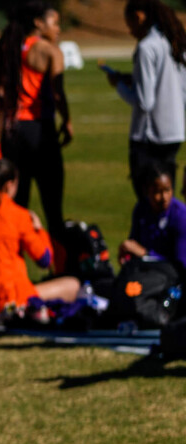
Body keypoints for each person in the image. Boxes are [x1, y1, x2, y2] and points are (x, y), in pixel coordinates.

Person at [0, 1, 72, 257]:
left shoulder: (10, 48)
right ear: (38, 22)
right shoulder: (49, 51)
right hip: (40, 131)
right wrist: (67, 121)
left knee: (16, 206)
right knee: (53, 209)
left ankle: (13, 271)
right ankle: (61, 270)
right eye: (54, 22)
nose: (58, 28)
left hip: (13, 133)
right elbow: (57, 94)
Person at [0, 158, 80, 321]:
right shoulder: (17, 215)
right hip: (8, 303)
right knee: (73, 285)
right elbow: (45, 259)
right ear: (9, 185)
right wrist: (39, 230)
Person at [104, 0, 186, 199]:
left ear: (139, 17)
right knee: (167, 199)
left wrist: (119, 85)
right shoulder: (175, 40)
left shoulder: (147, 47)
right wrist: (133, 79)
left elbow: (145, 101)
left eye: (129, 24)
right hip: (174, 131)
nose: (130, 31)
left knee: (149, 203)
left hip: (150, 136)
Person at [121, 163, 186, 270]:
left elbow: (180, 266)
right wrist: (126, 254)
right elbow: (134, 244)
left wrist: (146, 254)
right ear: (146, 190)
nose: (164, 197)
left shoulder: (181, 216)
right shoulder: (141, 210)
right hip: (145, 273)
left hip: (169, 280)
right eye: (157, 192)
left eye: (167, 190)